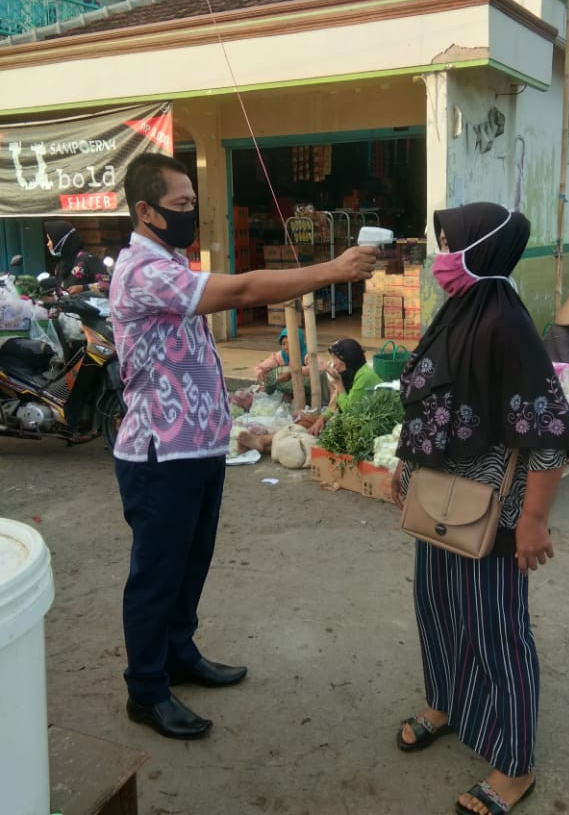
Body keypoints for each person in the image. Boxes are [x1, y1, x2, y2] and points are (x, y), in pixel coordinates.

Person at [109, 153, 377, 740]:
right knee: (156, 574)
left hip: (200, 446)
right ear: (145, 212)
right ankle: (146, 689)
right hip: (159, 453)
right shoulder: (142, 271)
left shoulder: (170, 260)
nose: (190, 216)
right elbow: (245, 289)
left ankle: (180, 653)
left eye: (191, 205)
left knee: (191, 563)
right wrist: (331, 269)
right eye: (180, 207)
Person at [390, 202, 569, 815]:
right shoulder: (458, 311)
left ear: (481, 250)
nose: (439, 256)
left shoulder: (506, 325)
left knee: (497, 633)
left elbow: (548, 432)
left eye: (449, 243)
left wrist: (533, 520)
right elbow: (428, 399)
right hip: (438, 502)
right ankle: (446, 703)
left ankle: (515, 765)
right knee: (438, 609)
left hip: (493, 514)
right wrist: (407, 462)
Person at [307, 338, 382, 436]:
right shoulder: (349, 373)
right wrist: (323, 418)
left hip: (375, 425)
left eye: (336, 358)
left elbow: (349, 411)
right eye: (333, 358)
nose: (333, 363)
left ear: (349, 358)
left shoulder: (364, 376)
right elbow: (335, 402)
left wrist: (338, 382)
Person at [253, 327, 329, 405]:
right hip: (295, 390)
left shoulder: (309, 354)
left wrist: (291, 373)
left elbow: (318, 369)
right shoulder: (281, 355)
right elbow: (262, 366)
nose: (286, 347)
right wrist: (259, 371)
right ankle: (275, 392)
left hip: (314, 392)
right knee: (271, 373)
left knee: (290, 373)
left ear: (298, 342)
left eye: (289, 343)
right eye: (283, 344)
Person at [44, 219, 111, 295]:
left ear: (61, 240)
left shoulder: (87, 259)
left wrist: (83, 288)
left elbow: (107, 284)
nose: (48, 244)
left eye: (50, 240)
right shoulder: (60, 266)